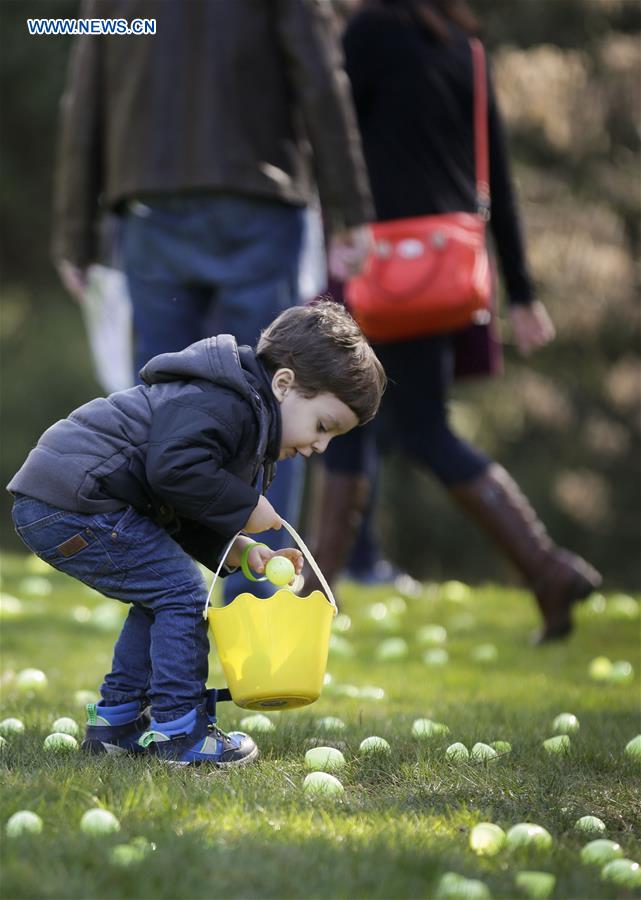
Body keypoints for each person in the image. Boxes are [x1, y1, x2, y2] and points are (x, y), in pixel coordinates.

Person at [52, 0, 374, 603]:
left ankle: (162, 602)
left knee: (163, 413)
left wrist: (75, 230)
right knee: (280, 409)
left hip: (151, 203)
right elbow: (319, 74)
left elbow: (86, 87)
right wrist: (351, 208)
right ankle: (265, 607)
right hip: (257, 196)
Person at [306, 0, 601, 642]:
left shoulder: (368, 33)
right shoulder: (465, 47)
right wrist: (519, 291)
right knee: (421, 429)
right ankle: (545, 567)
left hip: (377, 268)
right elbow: (496, 176)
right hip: (444, 276)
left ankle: (313, 603)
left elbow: (329, 137)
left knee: (351, 419)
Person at [7, 302, 386, 765]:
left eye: (333, 438)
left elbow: (178, 507)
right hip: (76, 497)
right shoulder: (225, 403)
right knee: (182, 594)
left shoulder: (245, 420)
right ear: (284, 385)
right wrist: (246, 506)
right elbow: (172, 472)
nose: (319, 446)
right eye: (323, 426)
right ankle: (180, 732)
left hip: (65, 500)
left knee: (162, 593)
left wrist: (242, 550)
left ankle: (120, 722)